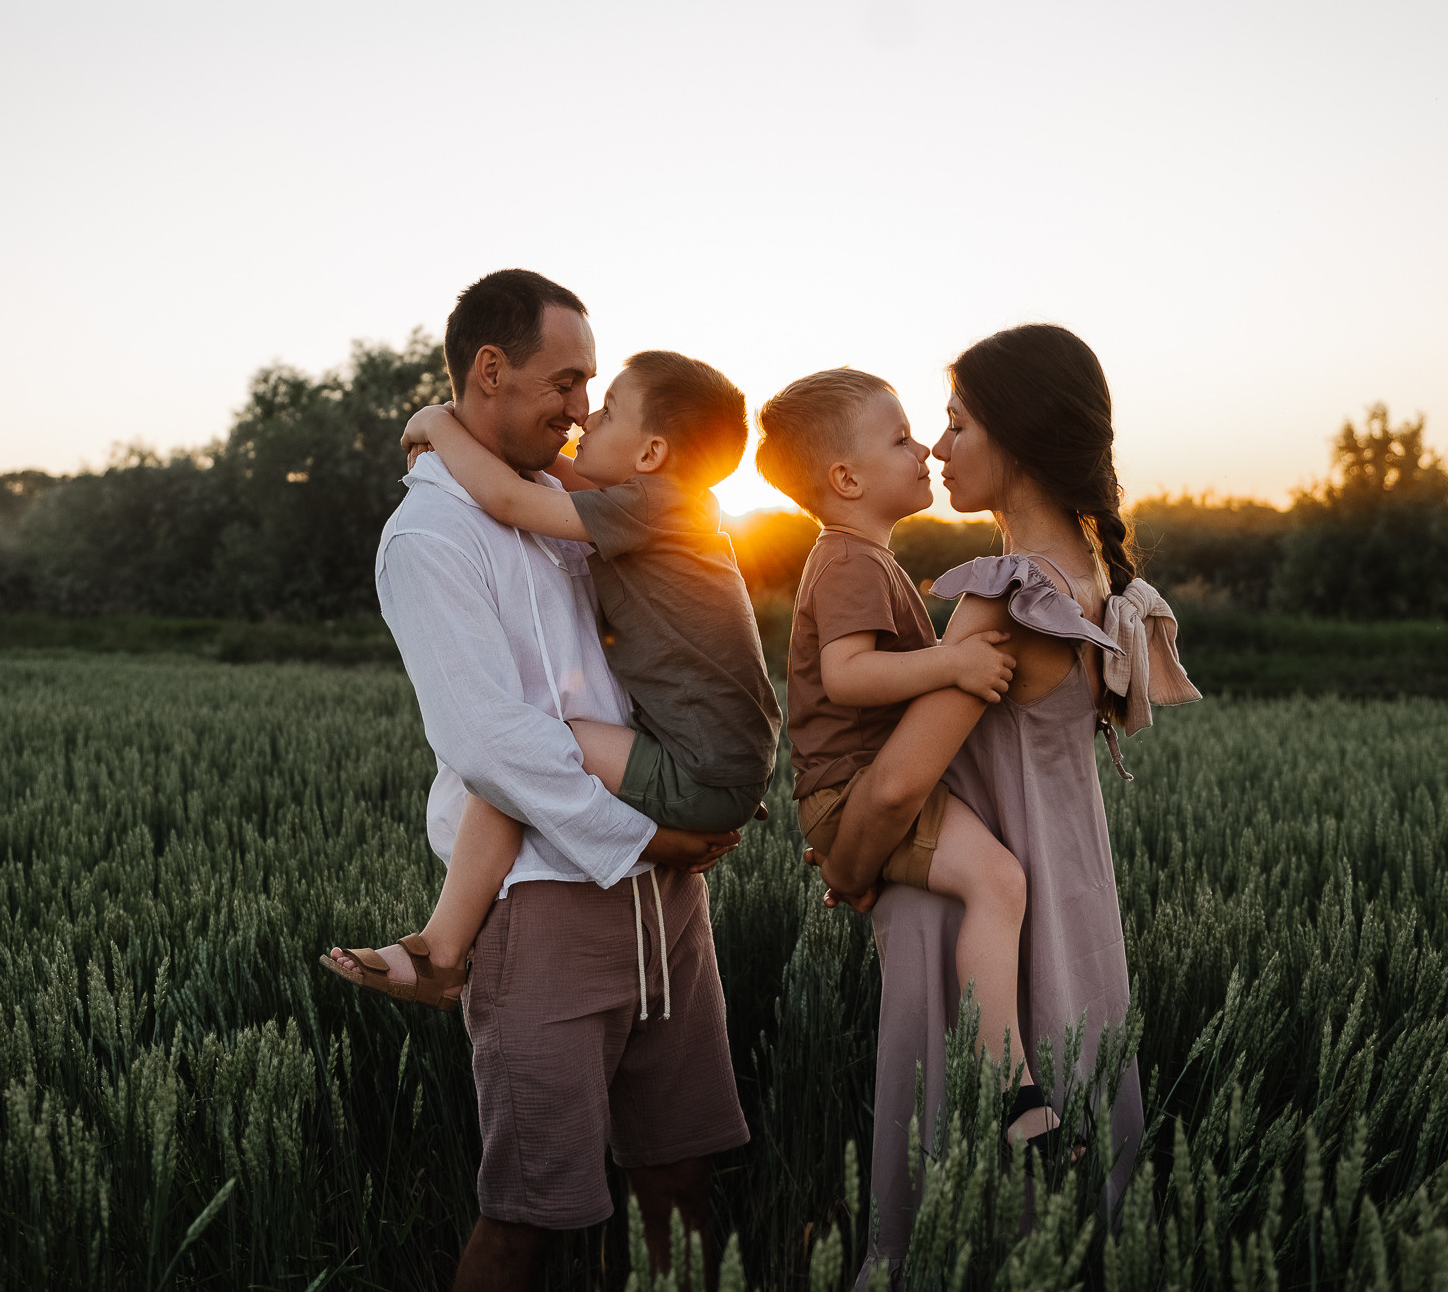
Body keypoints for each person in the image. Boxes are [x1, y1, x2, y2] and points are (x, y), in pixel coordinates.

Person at [324, 269, 751, 1287]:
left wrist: (684, 831)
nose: (580, 408)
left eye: (594, 389)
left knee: (682, 1180)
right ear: (489, 370)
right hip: (549, 907)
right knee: (533, 1214)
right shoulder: (430, 537)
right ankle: (444, 948)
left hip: (670, 912)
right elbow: (491, 742)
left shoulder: (576, 495)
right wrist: (652, 837)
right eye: (567, 382)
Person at [809, 325, 1200, 1271]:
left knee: (964, 1193)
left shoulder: (1009, 594)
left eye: (955, 423)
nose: (939, 448)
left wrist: (850, 868)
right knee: (1076, 1139)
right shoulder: (1102, 583)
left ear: (1016, 438)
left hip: (967, 921)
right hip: (1069, 899)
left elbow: (902, 778)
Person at [324, 347, 782, 1015]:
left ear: (651, 455)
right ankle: (440, 949)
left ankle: (442, 949)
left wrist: (438, 422)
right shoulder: (674, 504)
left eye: (609, 409)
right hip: (722, 758)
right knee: (529, 746)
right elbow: (550, 475)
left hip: (703, 769)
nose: (587, 416)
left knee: (534, 743)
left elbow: (510, 497)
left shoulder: (652, 507)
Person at [751, 367, 1056, 1149]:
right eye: (899, 438)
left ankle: (1006, 1079)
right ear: (845, 478)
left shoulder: (864, 557)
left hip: (862, 789)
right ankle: (1010, 1088)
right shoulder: (848, 560)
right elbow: (850, 677)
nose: (925, 447)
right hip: (853, 792)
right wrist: (952, 664)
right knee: (999, 881)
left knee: (993, 882)